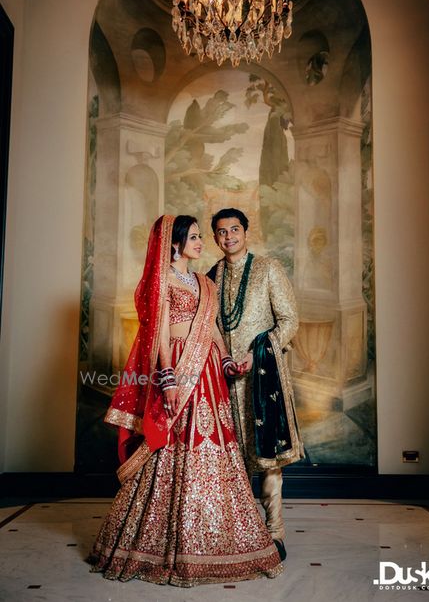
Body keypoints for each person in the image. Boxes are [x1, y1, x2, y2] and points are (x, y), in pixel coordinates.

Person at [88, 214, 282, 587]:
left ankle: (217, 534)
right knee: (174, 443)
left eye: (198, 237)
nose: (200, 242)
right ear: (174, 244)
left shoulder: (202, 281)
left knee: (214, 444)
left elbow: (210, 328)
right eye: (193, 237)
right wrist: (168, 378)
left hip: (207, 367)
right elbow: (158, 333)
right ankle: (160, 540)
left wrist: (224, 358)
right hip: (178, 363)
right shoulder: (162, 281)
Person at [207, 208, 304, 561]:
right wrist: (222, 358)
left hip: (263, 377)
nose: (228, 236)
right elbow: (211, 327)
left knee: (268, 457)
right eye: (221, 231)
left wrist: (256, 353)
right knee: (233, 458)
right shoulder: (210, 277)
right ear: (215, 237)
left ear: (246, 233)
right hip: (225, 380)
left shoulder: (268, 268)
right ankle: (242, 529)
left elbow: (290, 319)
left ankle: (275, 531)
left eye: (235, 229)